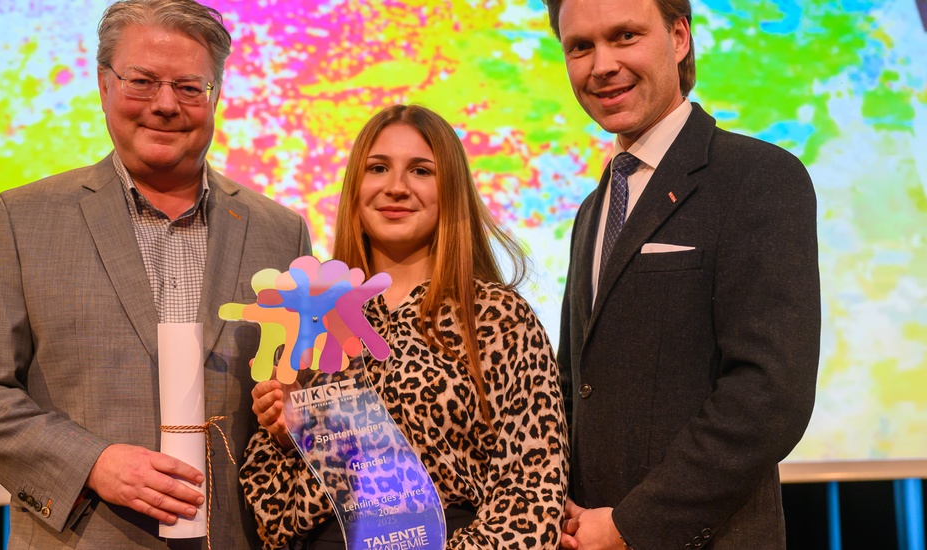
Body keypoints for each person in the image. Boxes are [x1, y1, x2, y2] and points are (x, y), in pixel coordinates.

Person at [0, 1, 309, 547]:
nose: (163, 104)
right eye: (142, 81)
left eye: (188, 87)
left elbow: (306, 396)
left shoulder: (281, 232)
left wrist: (297, 409)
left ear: (216, 96)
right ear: (104, 86)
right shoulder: (26, 218)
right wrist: (93, 463)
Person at [544, 0, 822, 548]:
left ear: (678, 38)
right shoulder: (592, 210)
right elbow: (577, 388)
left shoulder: (759, 178)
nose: (600, 64)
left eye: (624, 36)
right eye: (580, 46)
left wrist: (631, 526)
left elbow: (769, 395)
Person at [238, 104, 569, 549]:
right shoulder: (310, 318)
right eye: (378, 168)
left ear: (449, 189)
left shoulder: (500, 318)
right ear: (356, 186)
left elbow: (532, 494)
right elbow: (271, 512)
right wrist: (285, 436)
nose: (396, 187)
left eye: (420, 171)